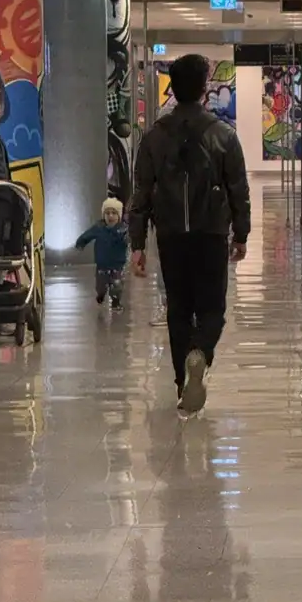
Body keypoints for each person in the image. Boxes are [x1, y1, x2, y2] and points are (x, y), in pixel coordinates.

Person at [129, 54, 250, 414]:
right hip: (211, 232)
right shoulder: (224, 136)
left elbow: (141, 193)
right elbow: (237, 189)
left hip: (170, 236)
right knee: (212, 307)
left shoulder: (153, 137)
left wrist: (137, 244)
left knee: (178, 309)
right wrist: (240, 234)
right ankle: (201, 352)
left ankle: (183, 384)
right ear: (204, 88)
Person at [76, 198, 129, 309]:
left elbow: (129, 239)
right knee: (101, 285)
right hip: (102, 264)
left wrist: (130, 241)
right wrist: (81, 243)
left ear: (119, 215)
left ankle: (116, 301)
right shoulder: (99, 228)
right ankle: (101, 294)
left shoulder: (123, 230)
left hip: (117, 264)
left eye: (114, 213)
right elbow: (88, 234)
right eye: (107, 213)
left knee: (117, 284)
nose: (110, 216)